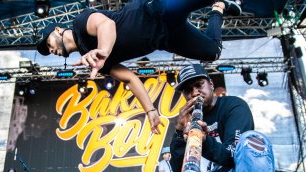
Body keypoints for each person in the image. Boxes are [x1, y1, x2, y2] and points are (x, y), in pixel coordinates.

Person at [36, 0, 242, 134]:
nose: (50, 49)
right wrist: (150, 110)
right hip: (166, 38)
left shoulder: (81, 23)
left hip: (157, 11)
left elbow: (106, 25)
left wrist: (104, 51)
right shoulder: (92, 60)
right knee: (212, 52)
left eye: (48, 43)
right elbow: (130, 79)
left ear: (58, 29)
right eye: (47, 50)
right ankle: (219, 7)